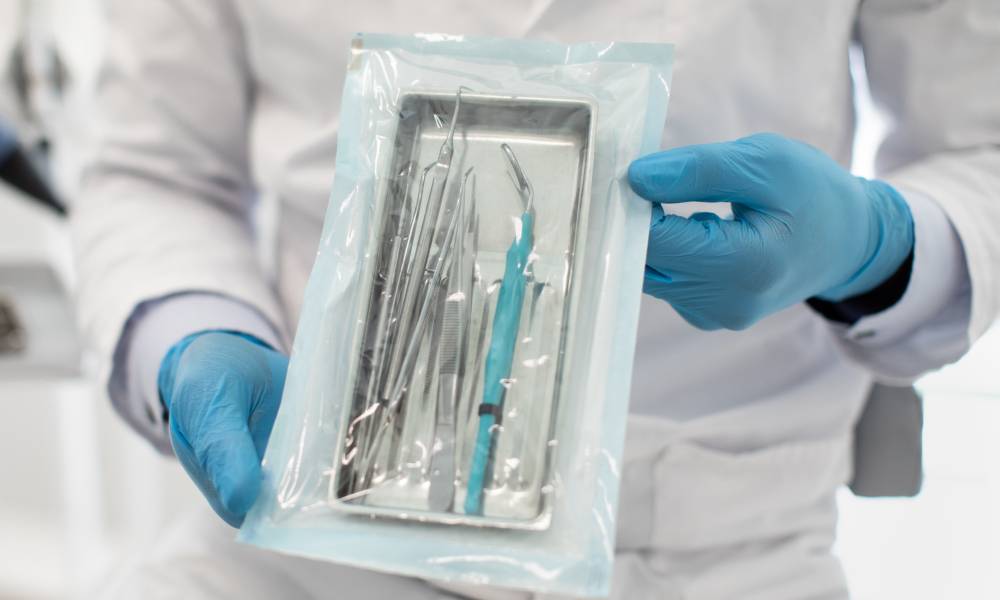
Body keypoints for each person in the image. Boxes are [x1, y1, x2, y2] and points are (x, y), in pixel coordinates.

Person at [74, 1, 1000, 598]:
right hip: (305, 535)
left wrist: (876, 244)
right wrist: (192, 328)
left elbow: (985, 148)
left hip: (716, 547)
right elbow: (154, 168)